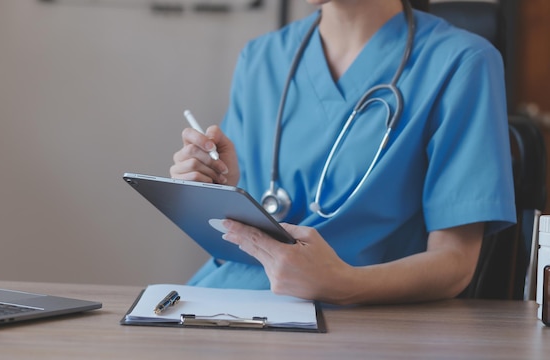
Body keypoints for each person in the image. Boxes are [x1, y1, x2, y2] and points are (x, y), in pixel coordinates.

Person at [169, 0, 516, 305]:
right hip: (228, 301)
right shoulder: (261, 57)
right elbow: (236, 228)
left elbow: (455, 264)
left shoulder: (462, 62)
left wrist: (341, 285)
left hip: (356, 321)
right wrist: (212, 181)